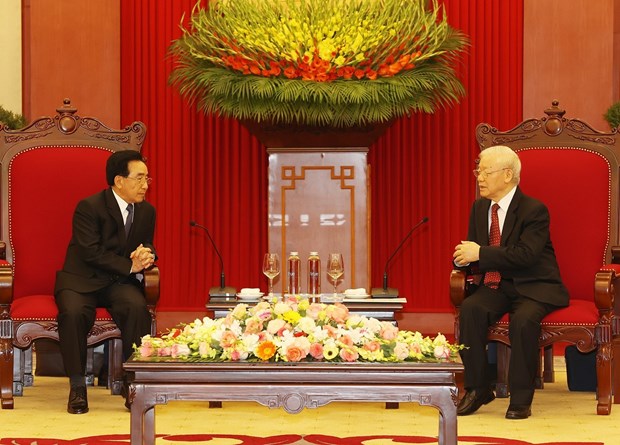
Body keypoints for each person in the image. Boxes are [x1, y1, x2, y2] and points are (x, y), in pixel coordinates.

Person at [453, 145, 568, 420]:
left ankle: (520, 398)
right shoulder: (480, 207)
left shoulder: (534, 210)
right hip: (498, 284)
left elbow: (526, 255)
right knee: (470, 309)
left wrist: (479, 253)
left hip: (535, 285)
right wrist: (463, 260)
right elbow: (476, 252)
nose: (479, 177)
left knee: (524, 320)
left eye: (485, 172)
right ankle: (478, 388)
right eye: (477, 171)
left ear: (507, 175)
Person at [55, 150, 156, 414]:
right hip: (81, 279)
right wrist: (129, 265)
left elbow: (146, 244)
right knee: (74, 312)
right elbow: (90, 252)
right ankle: (77, 386)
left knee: (137, 308)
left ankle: (132, 383)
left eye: (148, 178)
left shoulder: (146, 211)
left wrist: (147, 254)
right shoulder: (89, 207)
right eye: (139, 178)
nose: (145, 184)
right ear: (119, 180)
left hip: (118, 283)